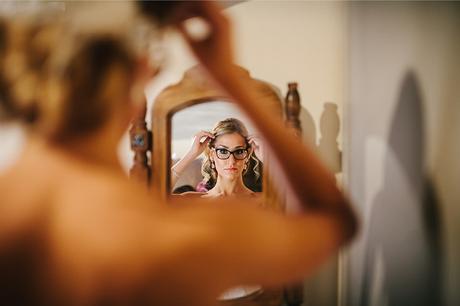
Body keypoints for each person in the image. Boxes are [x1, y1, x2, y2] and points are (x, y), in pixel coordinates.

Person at [0, 2, 358, 305]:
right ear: (140, 76)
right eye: (222, 151)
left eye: (239, 151)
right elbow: (334, 221)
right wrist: (228, 80)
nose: (231, 159)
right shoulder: (182, 232)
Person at [171, 118, 263, 196]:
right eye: (223, 151)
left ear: (247, 154)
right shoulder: (194, 201)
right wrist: (191, 154)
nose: (231, 161)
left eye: (239, 151)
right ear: (211, 155)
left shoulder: (263, 201)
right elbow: (157, 197)